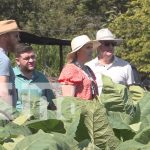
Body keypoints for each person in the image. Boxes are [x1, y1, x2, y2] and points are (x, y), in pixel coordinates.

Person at [87, 28, 135, 94]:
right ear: (98, 46)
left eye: (113, 44)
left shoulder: (125, 66)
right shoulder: (88, 67)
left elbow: (132, 91)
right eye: (107, 44)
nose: (111, 47)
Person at [13, 43, 56, 111]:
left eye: (33, 57)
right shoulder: (10, 77)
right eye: (27, 58)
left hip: (40, 119)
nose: (31, 60)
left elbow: (52, 103)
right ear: (18, 61)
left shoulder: (41, 77)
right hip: (17, 119)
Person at [58, 35, 100, 100]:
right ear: (78, 51)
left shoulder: (87, 69)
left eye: (91, 48)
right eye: (88, 47)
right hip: (79, 109)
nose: (91, 50)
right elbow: (68, 101)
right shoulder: (70, 70)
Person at [0, 20, 20, 106]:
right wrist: (10, 117)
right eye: (16, 36)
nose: (19, 39)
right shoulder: (3, 59)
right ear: (5, 37)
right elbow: (3, 92)